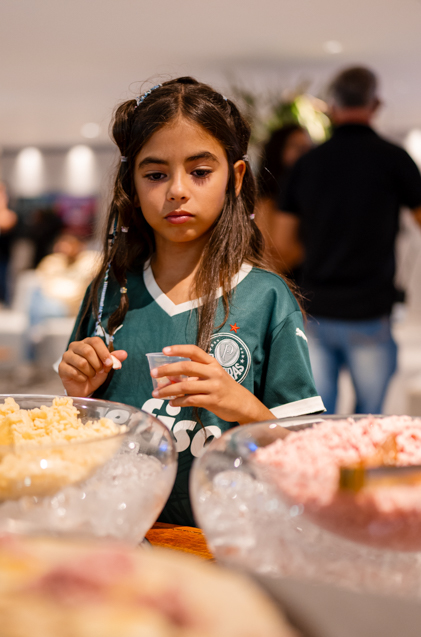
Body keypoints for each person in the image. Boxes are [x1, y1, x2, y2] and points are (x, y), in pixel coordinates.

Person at [59, 77, 324, 526]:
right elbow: (75, 435)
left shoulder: (266, 297)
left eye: (200, 172)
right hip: (122, 530)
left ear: (235, 177)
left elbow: (305, 455)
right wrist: (77, 395)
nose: (177, 190)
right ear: (132, 183)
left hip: (228, 534)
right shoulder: (109, 290)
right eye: (156, 174)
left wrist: (243, 407)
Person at [275, 66, 421, 415]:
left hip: (316, 308)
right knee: (367, 419)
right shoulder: (394, 158)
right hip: (371, 310)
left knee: (316, 418)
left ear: (332, 107)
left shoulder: (307, 164)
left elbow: (281, 243)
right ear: (376, 104)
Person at [255, 124, 313, 265]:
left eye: (308, 148)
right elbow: (273, 257)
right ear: (278, 150)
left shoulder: (309, 193)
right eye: (296, 147)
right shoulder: (264, 201)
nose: (303, 153)